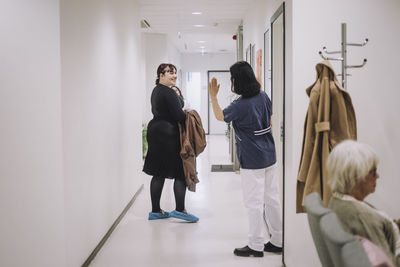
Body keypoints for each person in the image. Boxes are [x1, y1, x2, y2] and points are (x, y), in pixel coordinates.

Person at [209, 61, 282, 257]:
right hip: (270, 155)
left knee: (254, 203)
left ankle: (256, 245)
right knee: (272, 198)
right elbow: (270, 121)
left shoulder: (239, 105)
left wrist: (213, 97)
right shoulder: (263, 96)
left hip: (252, 159)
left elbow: (219, 116)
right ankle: (277, 240)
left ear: (236, 81)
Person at [327, 140, 400, 266]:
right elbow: (388, 263)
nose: (378, 176)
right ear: (356, 176)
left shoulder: (338, 202)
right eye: (373, 172)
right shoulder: (362, 218)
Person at [143, 63, 198, 223]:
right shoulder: (168, 92)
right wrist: (182, 104)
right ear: (161, 74)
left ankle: (155, 211)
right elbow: (179, 116)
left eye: (174, 73)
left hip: (155, 131)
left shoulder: (156, 90)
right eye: (170, 73)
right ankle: (180, 210)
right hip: (168, 134)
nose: (174, 76)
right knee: (181, 171)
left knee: (158, 172)